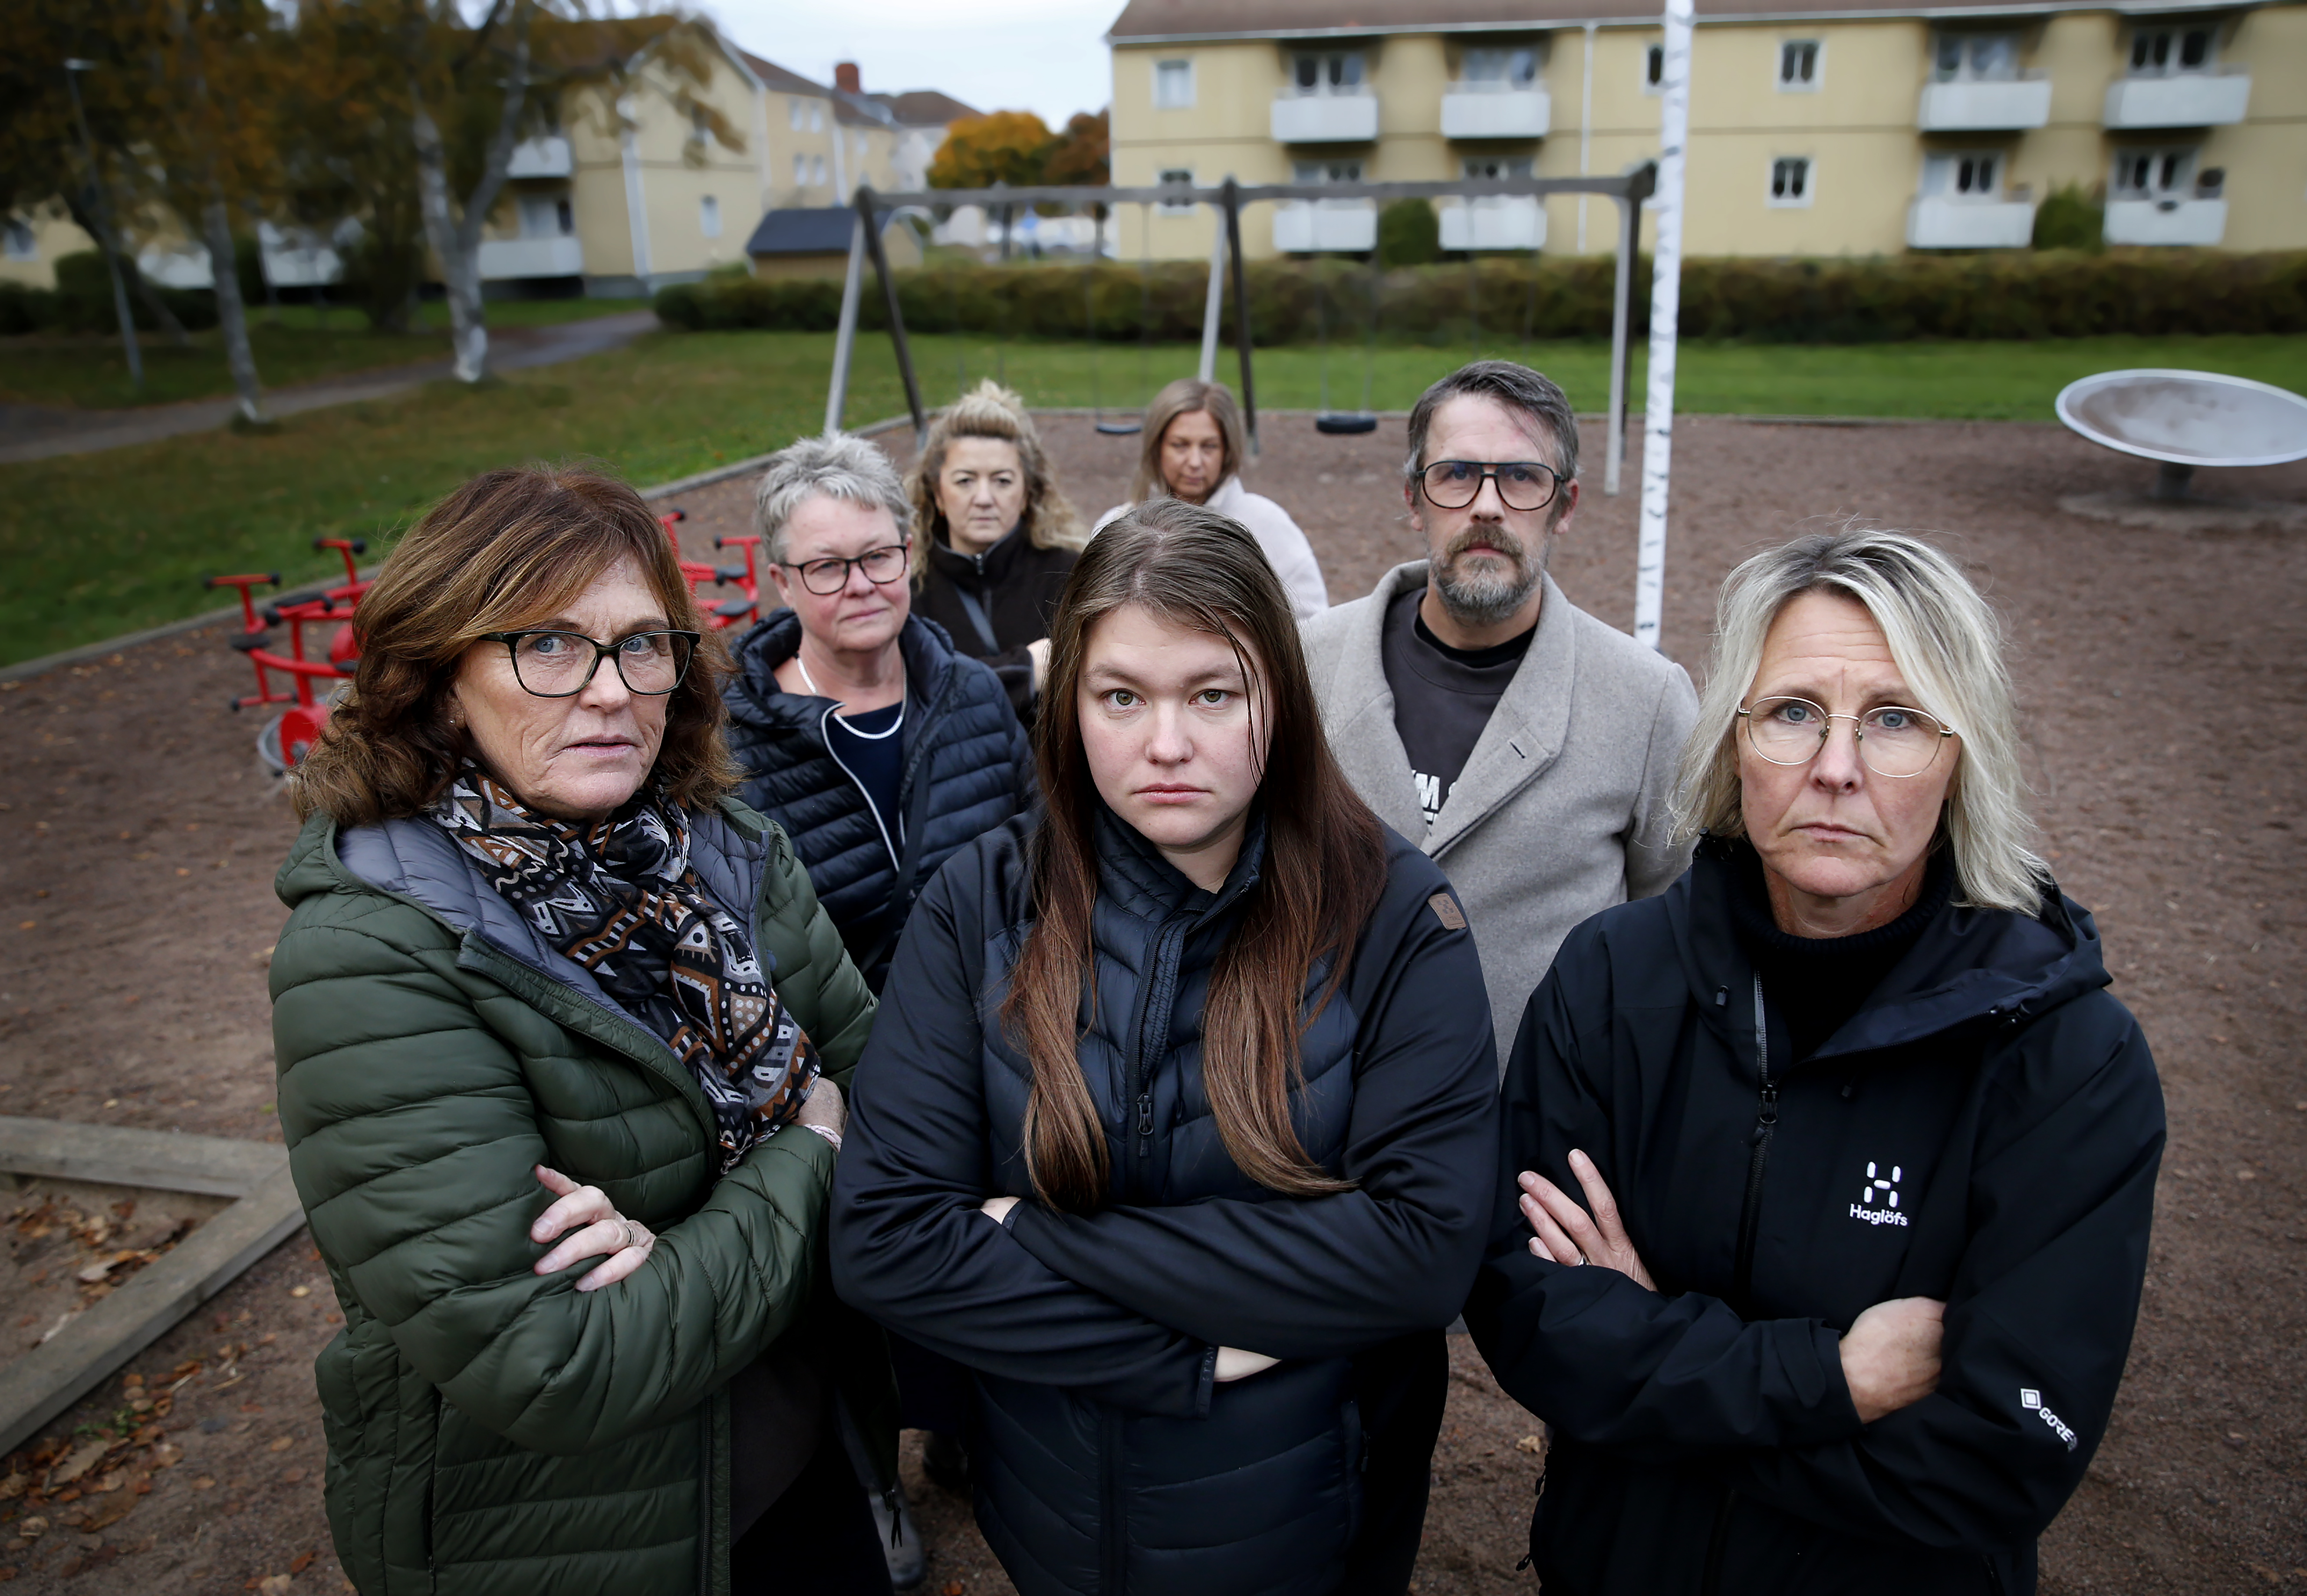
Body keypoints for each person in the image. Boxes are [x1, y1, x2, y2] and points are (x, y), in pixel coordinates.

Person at [1464, 527, 2165, 1596]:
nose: (1834, 768)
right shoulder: (1612, 978)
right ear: (1732, 738)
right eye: (1794, 712)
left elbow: (1995, 1456)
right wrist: (1828, 1376)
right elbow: (1528, 1314)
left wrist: (1650, 1353)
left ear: (1962, 751)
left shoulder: (2067, 1056)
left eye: (1894, 719)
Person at [830, 499, 1500, 1596]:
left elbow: (1422, 1254)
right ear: (1069, 708)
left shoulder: (1395, 922)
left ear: (1275, 698)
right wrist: (1189, 1354)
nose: (1168, 744)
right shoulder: (982, 902)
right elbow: (885, 1241)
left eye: (1212, 693)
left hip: (1305, 1528)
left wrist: (1022, 1233)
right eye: (1122, 697)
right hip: (1045, 1514)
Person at [271, 466, 897, 1596]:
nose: (610, 690)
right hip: (579, 1536)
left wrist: (693, 1242)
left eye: (641, 644)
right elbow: (559, 1359)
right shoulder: (376, 952)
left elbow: (897, 1097)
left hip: (804, 1451)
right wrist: (808, 1144)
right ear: (442, 679)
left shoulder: (728, 851)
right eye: (549, 646)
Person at [1300, 359, 1698, 1073]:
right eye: (1456, 474)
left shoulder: (1646, 704)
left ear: (1565, 505)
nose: (1487, 506)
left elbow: (1679, 920)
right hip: (1318, 1117)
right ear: (1415, 500)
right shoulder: (1306, 665)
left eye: (1521, 477)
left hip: (1534, 1129)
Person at [724, 432, 1035, 995]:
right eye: (827, 567)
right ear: (783, 583)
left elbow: (1042, 855)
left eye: (876, 556)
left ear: (907, 553)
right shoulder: (734, 741)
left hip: (998, 1015)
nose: (862, 585)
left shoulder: (973, 695)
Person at [905, 380, 1088, 719]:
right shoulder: (907, 586)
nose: (984, 498)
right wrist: (1024, 671)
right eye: (965, 481)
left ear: (1027, 492)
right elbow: (914, 697)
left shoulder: (1069, 576)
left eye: (1002, 481)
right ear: (938, 493)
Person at [1094, 377, 1328, 620]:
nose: (1195, 462)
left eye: (1209, 447)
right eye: (1180, 445)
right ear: (1157, 447)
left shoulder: (1266, 524)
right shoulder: (1117, 525)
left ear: (1227, 451)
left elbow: (1312, 625)